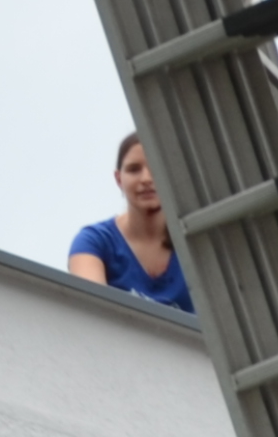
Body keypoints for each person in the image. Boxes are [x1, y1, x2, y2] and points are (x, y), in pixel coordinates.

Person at [68, 130, 192, 313]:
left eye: (155, 167)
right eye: (134, 169)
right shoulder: (93, 242)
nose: (146, 179)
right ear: (119, 179)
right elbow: (92, 313)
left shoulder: (195, 239)